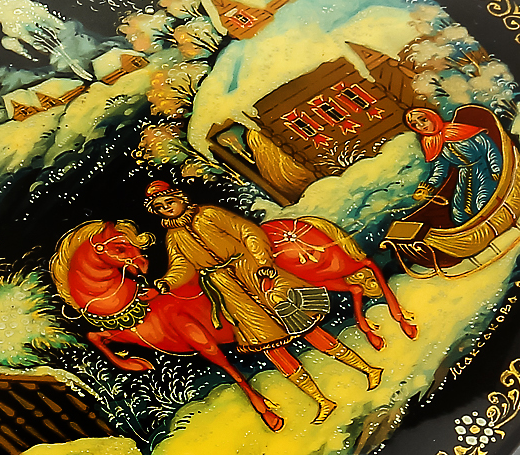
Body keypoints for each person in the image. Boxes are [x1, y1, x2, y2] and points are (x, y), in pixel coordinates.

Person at [144, 181, 382, 424]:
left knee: (304, 325)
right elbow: (181, 266)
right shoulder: (174, 237)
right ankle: (321, 401)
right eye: (159, 207)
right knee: (269, 345)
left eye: (169, 202)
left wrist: (262, 262)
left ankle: (368, 369)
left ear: (181, 198)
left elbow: (248, 232)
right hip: (230, 291)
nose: (166, 208)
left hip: (254, 272)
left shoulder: (210, 214)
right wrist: (167, 282)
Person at [405, 108, 505, 226]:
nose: (421, 125)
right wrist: (428, 186)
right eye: (415, 124)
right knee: (458, 212)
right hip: (464, 175)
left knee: (482, 203)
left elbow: (489, 147)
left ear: (433, 117)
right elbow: (440, 168)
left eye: (423, 120)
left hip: (484, 171)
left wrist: (496, 169)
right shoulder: (432, 143)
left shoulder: (459, 130)